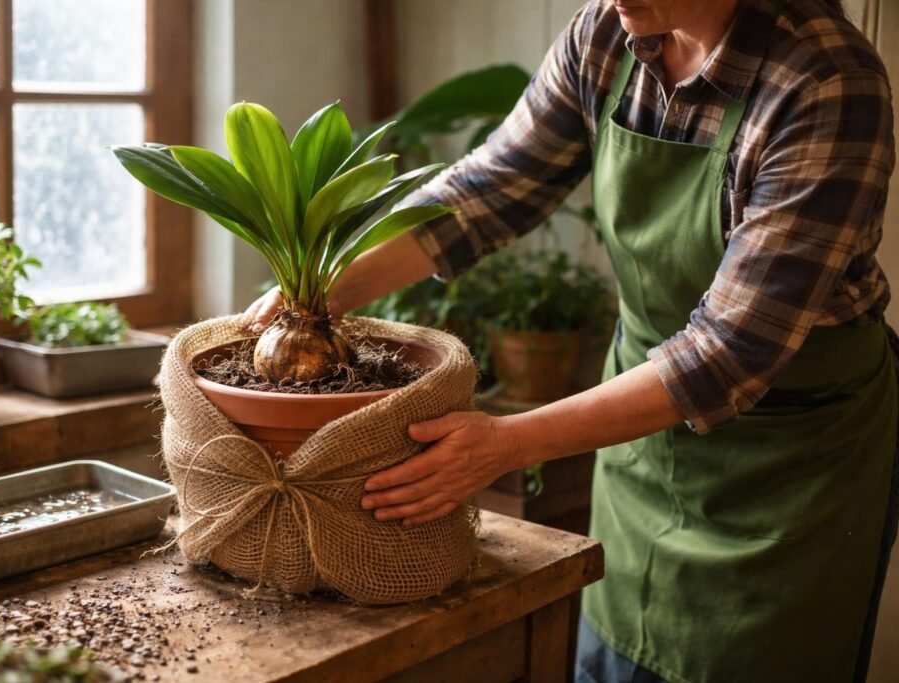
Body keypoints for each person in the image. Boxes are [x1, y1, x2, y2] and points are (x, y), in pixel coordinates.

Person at [248, 0, 898, 680]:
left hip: (791, 472)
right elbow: (484, 192)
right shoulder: (608, 35)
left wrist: (504, 443)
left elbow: (727, 353)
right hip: (641, 442)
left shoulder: (826, 83)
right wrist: (316, 296)